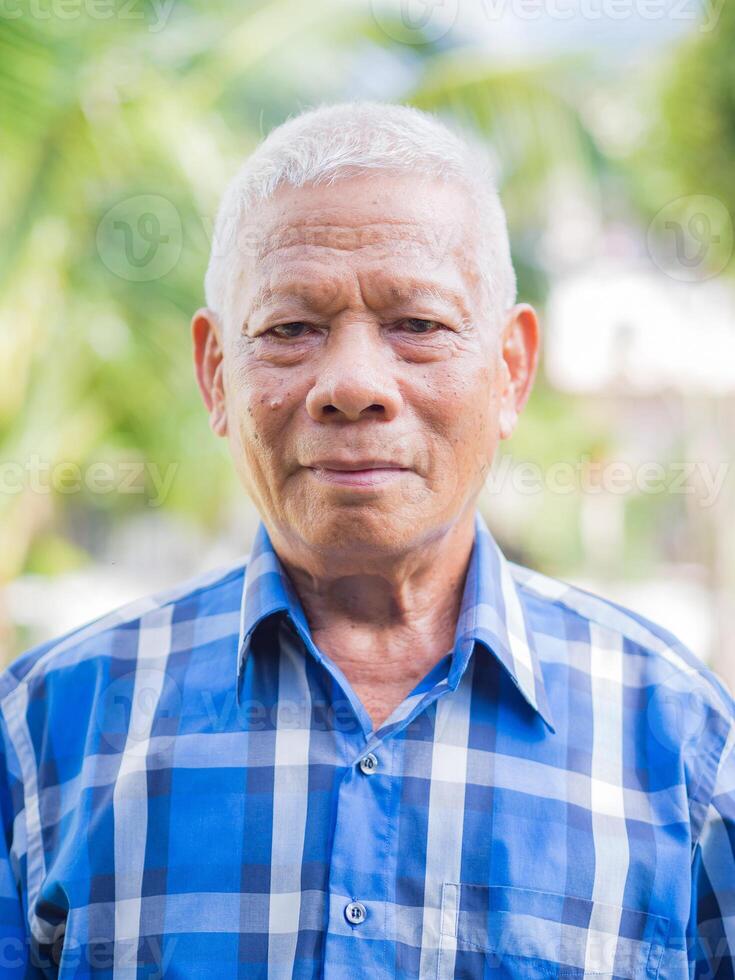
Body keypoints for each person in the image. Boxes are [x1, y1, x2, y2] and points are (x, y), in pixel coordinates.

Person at [0, 101, 732, 979]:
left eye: (417, 325)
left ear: (509, 370)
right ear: (215, 374)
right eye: (289, 329)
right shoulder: (46, 733)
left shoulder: (685, 745)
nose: (351, 385)